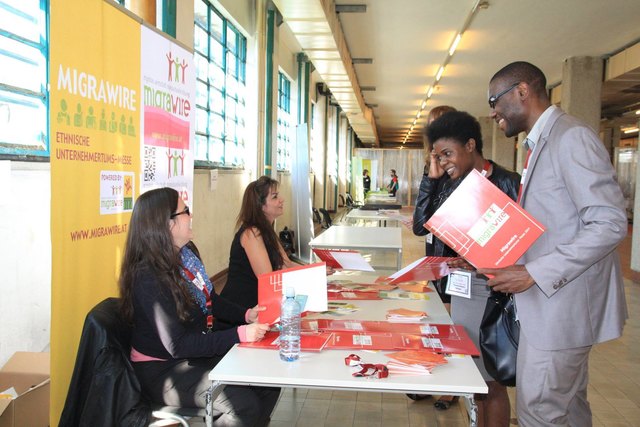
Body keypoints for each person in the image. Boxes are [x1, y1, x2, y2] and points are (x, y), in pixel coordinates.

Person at [480, 61, 628, 427]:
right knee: (568, 409)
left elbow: (609, 222)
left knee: (541, 412)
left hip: (562, 308)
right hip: (550, 307)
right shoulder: (540, 142)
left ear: (522, 92)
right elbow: (556, 223)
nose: (493, 111)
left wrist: (533, 272)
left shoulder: (570, 137)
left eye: (495, 100)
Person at [119, 187, 279, 425]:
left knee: (267, 380)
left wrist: (246, 314)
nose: (191, 216)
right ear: (167, 224)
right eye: (186, 211)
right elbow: (177, 345)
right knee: (242, 405)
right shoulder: (148, 276)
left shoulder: (185, 256)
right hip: (163, 370)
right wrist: (239, 334)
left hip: (193, 353)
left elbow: (209, 299)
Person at [420, 111, 518, 425]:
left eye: (447, 154)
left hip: (495, 291)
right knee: (474, 378)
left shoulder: (508, 182)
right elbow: (423, 226)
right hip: (463, 289)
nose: (444, 161)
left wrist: (483, 258)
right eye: (437, 155)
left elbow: (521, 241)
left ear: (471, 145)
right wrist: (430, 179)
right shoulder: (449, 184)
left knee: (493, 380)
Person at [221, 176, 298, 310]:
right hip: (241, 309)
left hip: (257, 305)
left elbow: (286, 264)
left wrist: (318, 271)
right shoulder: (252, 233)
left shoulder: (267, 229)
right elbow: (268, 279)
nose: (281, 200)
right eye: (274, 197)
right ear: (261, 206)